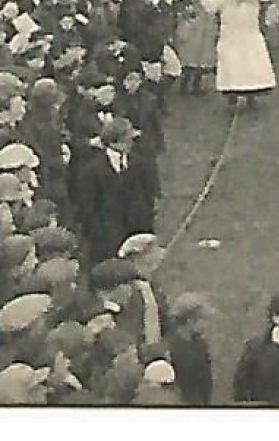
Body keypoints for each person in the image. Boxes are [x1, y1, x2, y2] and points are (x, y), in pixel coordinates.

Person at [70, 118, 156, 267]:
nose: (132, 143)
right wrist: (99, 233)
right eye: (128, 139)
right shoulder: (91, 171)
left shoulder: (140, 164)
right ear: (115, 142)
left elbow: (147, 195)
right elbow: (86, 208)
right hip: (106, 238)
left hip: (136, 230)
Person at [213, 0, 279, 112]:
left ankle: (251, 95)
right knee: (232, 65)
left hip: (250, 35)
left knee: (251, 66)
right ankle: (232, 93)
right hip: (231, 37)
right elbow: (211, 6)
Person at [116, 233, 168, 347]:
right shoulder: (130, 290)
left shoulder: (154, 286)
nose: (160, 254)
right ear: (138, 256)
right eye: (153, 250)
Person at [165, 293, 214, 407]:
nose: (206, 325)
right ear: (190, 320)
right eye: (203, 320)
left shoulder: (200, 344)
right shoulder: (172, 347)